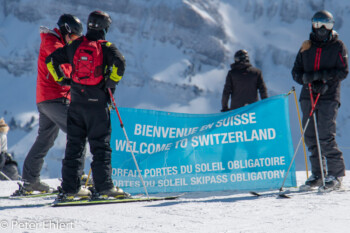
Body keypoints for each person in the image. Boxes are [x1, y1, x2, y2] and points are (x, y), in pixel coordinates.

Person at [46, 10, 126, 198]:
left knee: (74, 146)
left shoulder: (75, 45)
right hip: (97, 105)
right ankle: (104, 187)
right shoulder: (106, 47)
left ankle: (70, 189)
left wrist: (63, 80)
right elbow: (121, 63)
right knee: (100, 147)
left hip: (76, 105)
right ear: (105, 27)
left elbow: (51, 61)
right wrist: (110, 82)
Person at [21, 14, 83, 192]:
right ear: (66, 31)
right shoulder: (53, 44)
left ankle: (30, 181)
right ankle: (74, 183)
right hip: (55, 98)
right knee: (78, 133)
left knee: (45, 139)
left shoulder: (56, 42)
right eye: (74, 37)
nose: (75, 41)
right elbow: (65, 69)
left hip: (47, 99)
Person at [292, 10, 348, 190]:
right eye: (318, 25)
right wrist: (308, 80)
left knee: (325, 134)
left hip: (328, 95)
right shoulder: (306, 46)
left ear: (332, 27)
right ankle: (318, 174)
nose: (323, 29)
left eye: (327, 25)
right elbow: (296, 72)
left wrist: (322, 79)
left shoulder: (338, 46)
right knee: (310, 137)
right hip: (307, 95)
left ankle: (336, 175)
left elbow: (343, 71)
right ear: (312, 25)